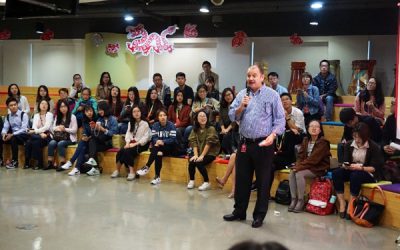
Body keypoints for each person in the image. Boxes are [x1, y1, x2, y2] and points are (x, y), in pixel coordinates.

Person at [224, 64, 285, 228]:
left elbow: (280, 120)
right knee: (242, 179)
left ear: (261, 77)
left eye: (254, 75)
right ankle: (239, 211)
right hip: (244, 143)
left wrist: (272, 136)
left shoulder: (272, 95)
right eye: (248, 75)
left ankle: (259, 215)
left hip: (264, 144)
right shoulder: (242, 94)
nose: (250, 78)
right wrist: (241, 107)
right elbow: (231, 115)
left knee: (263, 182)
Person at [332, 122, 384, 219]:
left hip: (368, 172)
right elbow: (345, 161)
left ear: (366, 136)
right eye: (355, 137)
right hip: (353, 170)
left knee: (355, 175)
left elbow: (374, 168)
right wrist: (346, 165)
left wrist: (361, 168)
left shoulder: (374, 147)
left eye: (359, 137)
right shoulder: (348, 145)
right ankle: (342, 202)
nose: (357, 140)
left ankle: (351, 204)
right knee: (336, 173)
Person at [288, 120, 331, 213]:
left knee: (299, 173)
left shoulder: (323, 142)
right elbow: (300, 156)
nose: (314, 128)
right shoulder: (306, 140)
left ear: (320, 130)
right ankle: (293, 199)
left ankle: (301, 200)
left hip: (318, 168)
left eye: (317, 126)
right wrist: (297, 165)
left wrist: (299, 167)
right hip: (306, 166)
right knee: (292, 172)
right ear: (308, 129)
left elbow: (314, 160)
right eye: (311, 126)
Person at [136, 109, 177, 185]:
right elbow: (153, 138)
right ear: (158, 117)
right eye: (160, 115)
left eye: (164, 115)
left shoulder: (171, 125)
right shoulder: (155, 125)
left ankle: (147, 166)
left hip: (170, 147)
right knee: (158, 153)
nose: (163, 117)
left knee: (156, 148)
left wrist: (162, 142)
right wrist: (157, 141)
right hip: (159, 147)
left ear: (167, 117)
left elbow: (173, 139)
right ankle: (157, 177)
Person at [111, 105, 151, 181]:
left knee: (127, 151)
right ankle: (117, 170)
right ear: (132, 113)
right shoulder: (130, 123)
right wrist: (127, 143)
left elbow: (145, 138)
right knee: (121, 151)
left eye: (138, 111)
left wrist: (135, 144)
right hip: (131, 143)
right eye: (134, 112)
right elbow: (128, 134)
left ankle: (132, 172)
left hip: (142, 144)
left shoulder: (145, 123)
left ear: (141, 112)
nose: (136, 113)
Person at [187, 111, 221, 191]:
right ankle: (192, 180)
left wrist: (202, 155)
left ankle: (206, 182)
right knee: (192, 161)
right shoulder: (195, 129)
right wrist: (196, 155)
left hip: (210, 153)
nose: (203, 118)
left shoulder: (211, 128)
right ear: (197, 119)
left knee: (199, 162)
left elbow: (209, 143)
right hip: (199, 152)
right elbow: (193, 141)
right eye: (200, 116)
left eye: (204, 116)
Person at [59, 105, 97, 175]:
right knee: (82, 145)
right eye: (87, 111)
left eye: (91, 111)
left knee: (82, 144)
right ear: (84, 113)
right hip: (88, 142)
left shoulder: (97, 119)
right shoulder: (85, 120)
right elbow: (85, 131)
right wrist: (85, 136)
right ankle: (76, 168)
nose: (89, 113)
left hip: (95, 142)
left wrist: (89, 136)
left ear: (93, 111)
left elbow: (96, 134)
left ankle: (71, 162)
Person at [83, 101, 118, 173]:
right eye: (98, 110)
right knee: (92, 143)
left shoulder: (113, 119)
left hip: (109, 142)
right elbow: (95, 134)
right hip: (100, 141)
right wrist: (93, 128)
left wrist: (103, 129)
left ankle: (96, 168)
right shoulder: (99, 119)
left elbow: (114, 133)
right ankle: (95, 165)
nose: (99, 112)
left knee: (92, 146)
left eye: (101, 110)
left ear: (106, 109)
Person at [1, 97, 30, 169]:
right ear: (8, 107)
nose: (13, 106)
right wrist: (4, 134)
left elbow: (24, 129)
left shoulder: (23, 115)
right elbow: (5, 128)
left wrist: (12, 134)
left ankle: (15, 162)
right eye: (11, 105)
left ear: (17, 105)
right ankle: (1, 159)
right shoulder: (8, 116)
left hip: (24, 135)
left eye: (15, 104)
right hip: (14, 135)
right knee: (1, 137)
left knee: (13, 138)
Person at [49, 99, 78, 170]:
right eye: (61, 107)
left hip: (70, 138)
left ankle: (62, 163)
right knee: (51, 143)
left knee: (60, 144)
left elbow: (74, 130)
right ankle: (50, 163)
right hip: (59, 137)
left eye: (64, 106)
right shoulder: (57, 117)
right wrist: (59, 127)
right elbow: (52, 128)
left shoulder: (72, 116)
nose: (63, 108)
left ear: (68, 107)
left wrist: (65, 129)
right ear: (59, 108)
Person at [25, 99, 53, 170]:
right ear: (39, 105)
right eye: (42, 104)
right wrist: (40, 133)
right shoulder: (36, 115)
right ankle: (32, 162)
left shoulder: (49, 114)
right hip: (39, 135)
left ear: (48, 106)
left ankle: (35, 162)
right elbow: (34, 126)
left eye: (46, 104)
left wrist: (37, 132)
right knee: (32, 142)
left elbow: (47, 127)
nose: (44, 105)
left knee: (31, 141)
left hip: (47, 135)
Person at [219, 88, 239, 155]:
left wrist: (227, 129)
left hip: (234, 127)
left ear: (232, 94)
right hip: (224, 127)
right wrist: (223, 129)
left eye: (229, 94)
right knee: (217, 134)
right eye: (226, 95)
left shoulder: (237, 104)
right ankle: (219, 152)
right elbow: (220, 118)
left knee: (227, 136)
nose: (228, 97)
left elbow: (235, 119)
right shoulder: (222, 105)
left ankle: (229, 153)